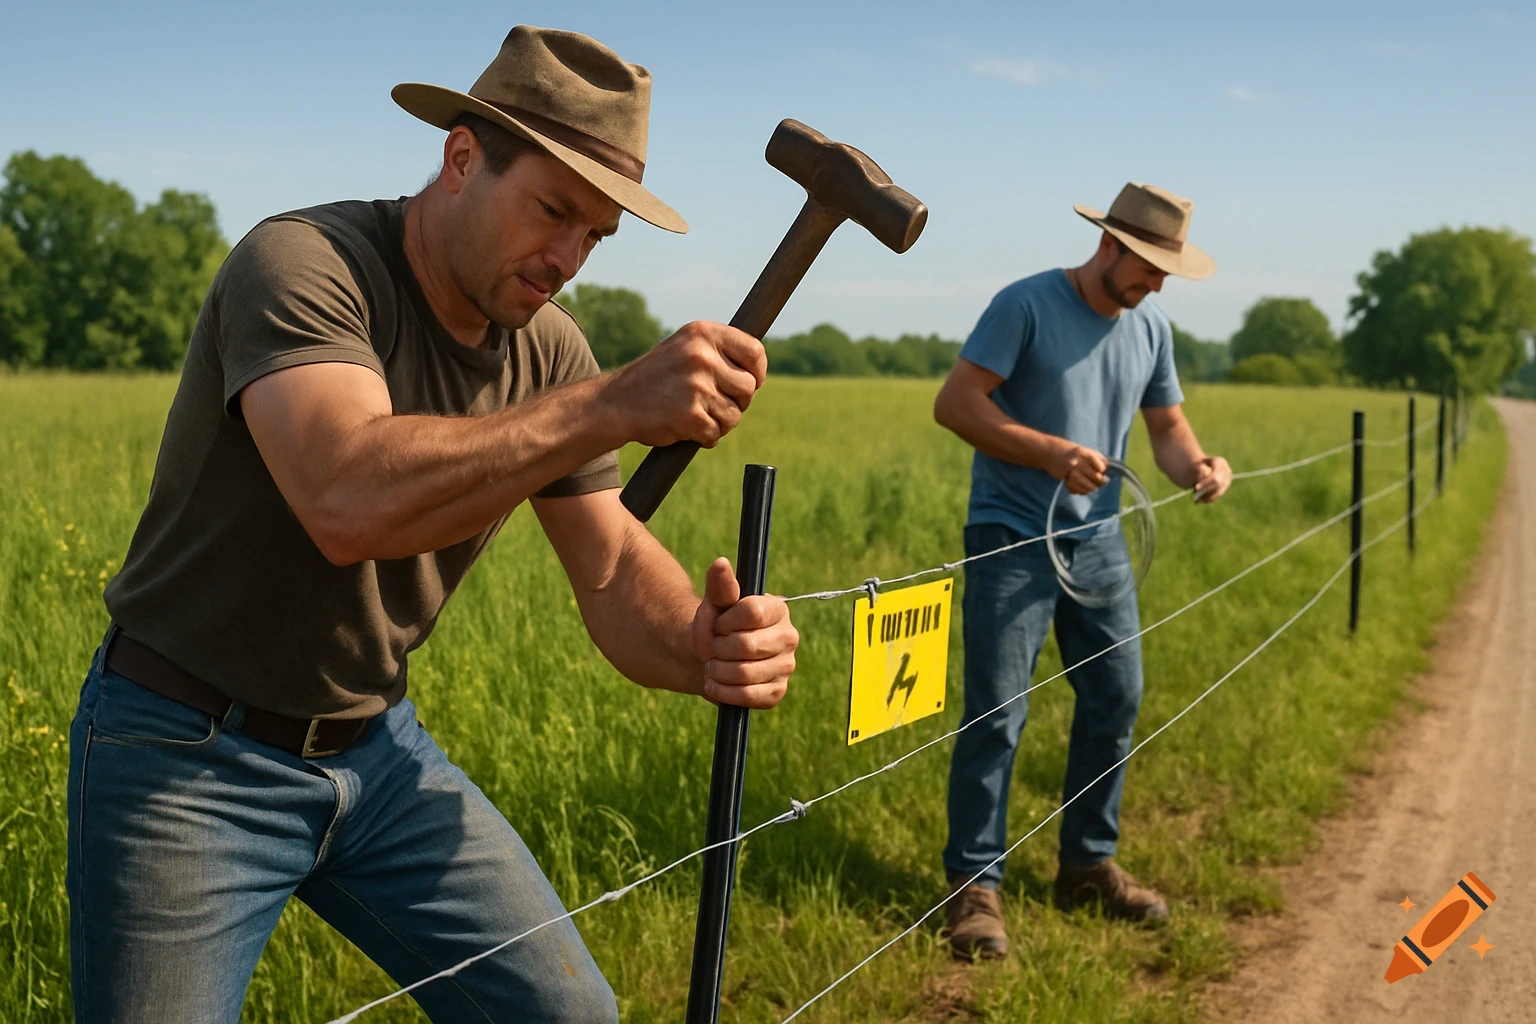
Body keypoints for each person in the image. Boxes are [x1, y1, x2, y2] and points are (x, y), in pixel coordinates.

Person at [67, 25, 799, 1023]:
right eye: (553, 210)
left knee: (570, 1014)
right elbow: (344, 496)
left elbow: (613, 572)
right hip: (187, 753)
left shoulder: (550, 350)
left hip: (377, 748)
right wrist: (610, 404)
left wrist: (703, 644)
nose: (570, 255)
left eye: (596, 234)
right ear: (462, 158)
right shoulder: (303, 264)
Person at [932, 183, 1233, 959]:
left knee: (1116, 696)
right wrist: (1052, 453)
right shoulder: (1024, 306)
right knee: (997, 712)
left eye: (1167, 272)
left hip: (1098, 543)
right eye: (1151, 266)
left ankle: (1086, 863)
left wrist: (1197, 465)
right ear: (1112, 245)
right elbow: (958, 404)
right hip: (1010, 536)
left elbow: (1166, 429)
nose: (1158, 284)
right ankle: (974, 885)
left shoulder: (1149, 327)